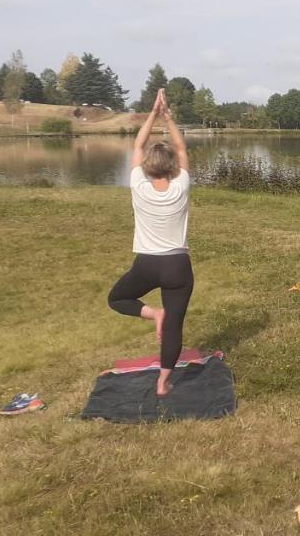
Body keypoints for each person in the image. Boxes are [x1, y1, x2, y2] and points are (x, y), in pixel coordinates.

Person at [107, 89, 193, 397]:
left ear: (145, 166)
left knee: (117, 298)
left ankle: (152, 313)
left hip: (146, 264)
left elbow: (138, 144)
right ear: (172, 166)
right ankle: (163, 382)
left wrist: (152, 114)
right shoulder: (181, 185)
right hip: (177, 266)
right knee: (174, 324)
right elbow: (181, 147)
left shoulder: (137, 184)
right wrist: (168, 116)